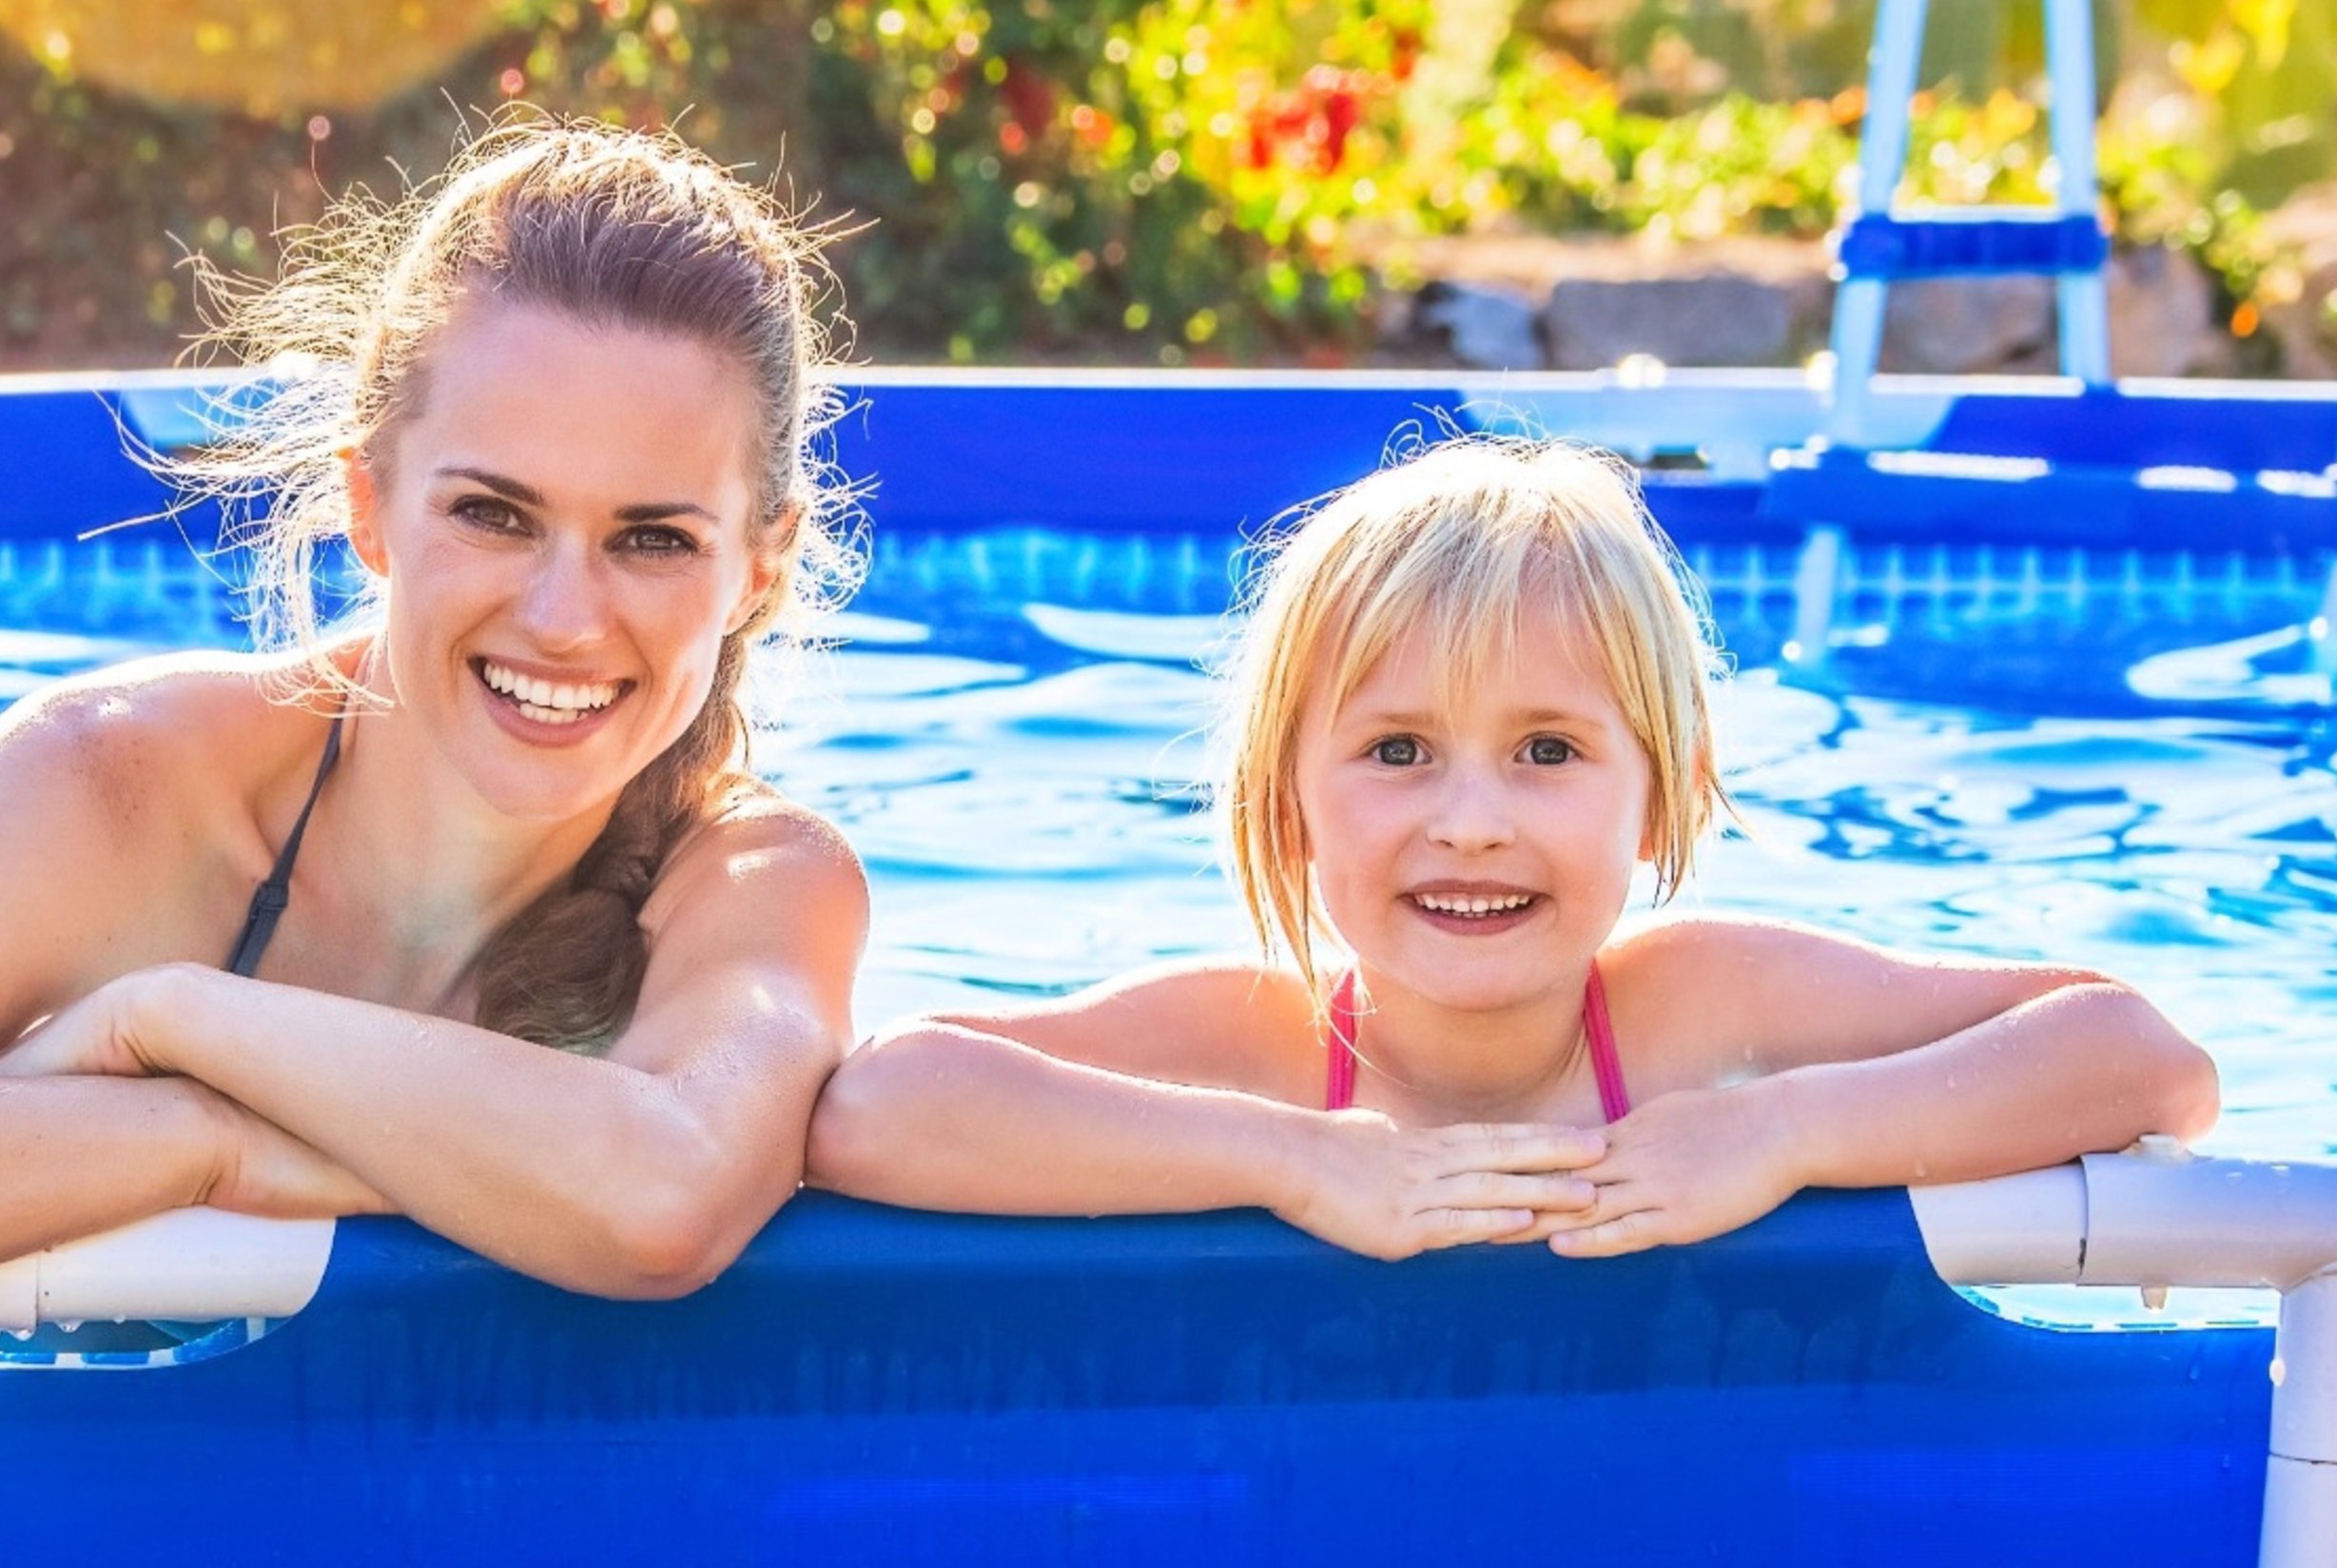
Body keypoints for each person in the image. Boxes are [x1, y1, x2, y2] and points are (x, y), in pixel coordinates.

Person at [0, 122, 870, 1312]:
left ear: (758, 567)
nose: (567, 618)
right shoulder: (120, 787)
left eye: (652, 538)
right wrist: (203, 1136)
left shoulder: (752, 884)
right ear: (370, 507)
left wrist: (181, 1021)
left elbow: (660, 1202)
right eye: (493, 513)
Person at [808, 436, 2219, 1257]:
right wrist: (1294, 1162)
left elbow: (2142, 1058)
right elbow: (876, 1105)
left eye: (1548, 753)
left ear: (1657, 799)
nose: (1469, 820)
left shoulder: (1710, 1024)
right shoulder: (1262, 1049)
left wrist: (1785, 1131)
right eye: (1396, 751)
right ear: (1287, 803)